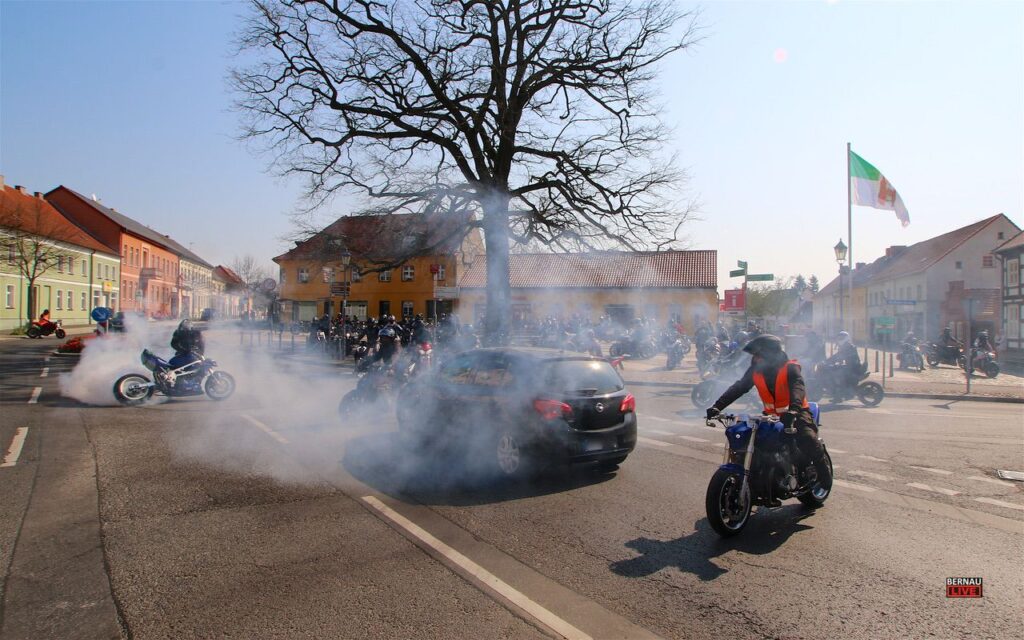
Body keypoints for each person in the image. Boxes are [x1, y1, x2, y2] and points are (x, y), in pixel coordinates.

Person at [706, 334, 831, 501]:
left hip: (797, 412)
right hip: (771, 416)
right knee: (756, 438)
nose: (755, 358)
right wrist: (717, 406)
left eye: (758, 354)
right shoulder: (756, 371)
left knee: (807, 437)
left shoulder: (790, 368)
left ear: (769, 354)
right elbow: (739, 387)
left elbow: (798, 388)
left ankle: (824, 476)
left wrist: (793, 410)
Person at [822, 331, 862, 400]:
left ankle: (840, 395)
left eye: (841, 337)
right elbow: (839, 356)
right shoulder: (845, 345)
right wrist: (831, 362)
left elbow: (839, 356)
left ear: (846, 338)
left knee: (838, 375)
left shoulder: (848, 346)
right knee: (836, 370)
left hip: (853, 367)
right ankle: (839, 394)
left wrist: (828, 361)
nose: (839, 339)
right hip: (850, 366)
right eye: (839, 337)